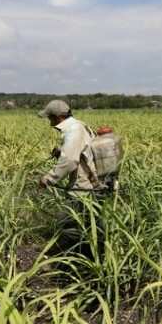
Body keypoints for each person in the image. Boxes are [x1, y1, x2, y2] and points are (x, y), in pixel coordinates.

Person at [38, 100, 103, 254]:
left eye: (50, 119)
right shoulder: (79, 125)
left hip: (83, 187)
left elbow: (70, 161)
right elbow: (80, 152)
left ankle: (62, 259)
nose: (50, 123)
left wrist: (48, 179)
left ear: (59, 117)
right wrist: (61, 151)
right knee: (89, 223)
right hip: (91, 183)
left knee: (68, 223)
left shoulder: (73, 130)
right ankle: (90, 252)